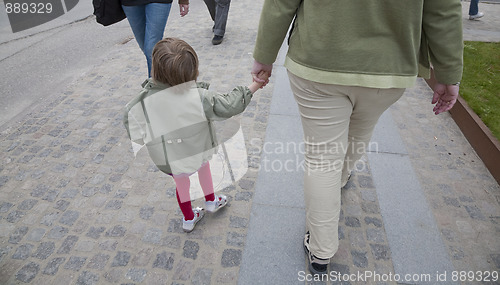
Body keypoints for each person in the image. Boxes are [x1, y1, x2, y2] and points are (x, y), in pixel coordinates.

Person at [251, 0, 463, 275]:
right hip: (389, 64)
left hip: (319, 59)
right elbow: (443, 8)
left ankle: (321, 248)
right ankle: (339, 178)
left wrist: (264, 54)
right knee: (361, 129)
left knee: (322, 159)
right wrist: (448, 74)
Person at [124, 37, 269, 232]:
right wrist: (255, 85)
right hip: (198, 152)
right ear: (192, 72)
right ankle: (210, 201)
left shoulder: (143, 100)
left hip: (171, 161)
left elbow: (131, 122)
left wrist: (145, 138)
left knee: (181, 185)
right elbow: (230, 105)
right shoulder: (199, 97)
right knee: (204, 169)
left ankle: (188, 218)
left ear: (155, 70)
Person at [121, 0, 190, 77]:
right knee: (145, 47)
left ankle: (155, 85)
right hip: (130, 3)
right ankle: (165, 77)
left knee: (151, 49)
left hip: (159, 2)